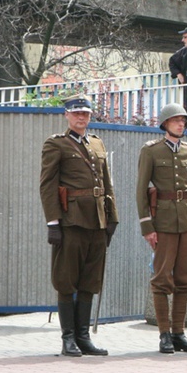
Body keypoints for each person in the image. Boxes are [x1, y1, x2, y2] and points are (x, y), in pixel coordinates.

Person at [40, 95, 119, 357]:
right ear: (67, 115)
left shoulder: (96, 143)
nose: (81, 118)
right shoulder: (56, 144)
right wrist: (53, 222)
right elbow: (48, 185)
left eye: (85, 113)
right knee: (66, 280)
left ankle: (84, 337)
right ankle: (68, 338)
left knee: (90, 280)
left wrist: (112, 217)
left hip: (97, 220)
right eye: (76, 114)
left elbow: (107, 183)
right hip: (71, 220)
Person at [136, 103, 187, 354]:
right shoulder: (151, 151)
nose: (181, 124)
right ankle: (164, 333)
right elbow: (141, 190)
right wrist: (147, 227)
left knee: (185, 278)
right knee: (162, 278)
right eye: (176, 120)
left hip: (185, 221)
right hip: (162, 222)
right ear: (165, 124)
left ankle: (179, 333)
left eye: (183, 121)